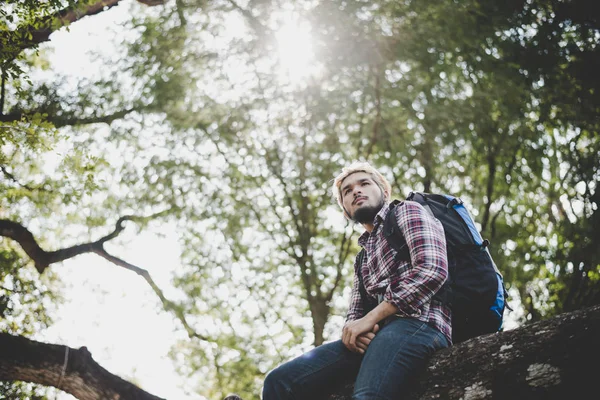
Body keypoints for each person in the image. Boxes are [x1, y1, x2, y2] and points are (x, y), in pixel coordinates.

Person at [260, 161, 452, 400]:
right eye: (347, 191)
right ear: (345, 210)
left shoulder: (406, 211)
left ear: (383, 190)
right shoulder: (362, 258)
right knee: (279, 382)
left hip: (421, 324)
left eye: (364, 183)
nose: (356, 191)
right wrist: (353, 334)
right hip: (378, 337)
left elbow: (432, 270)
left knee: (365, 395)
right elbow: (355, 314)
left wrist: (371, 318)